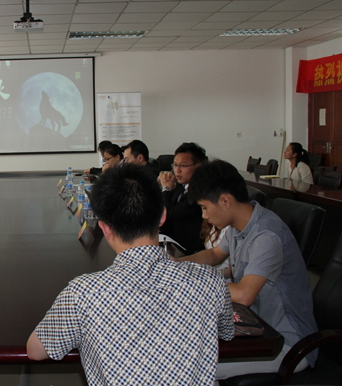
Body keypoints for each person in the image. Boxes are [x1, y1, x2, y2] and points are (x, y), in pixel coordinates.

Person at [27, 164, 234, 385]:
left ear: (105, 228)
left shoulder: (83, 293)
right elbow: (227, 332)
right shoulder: (210, 280)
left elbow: (36, 350)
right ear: (162, 216)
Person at [182, 160, 318, 379]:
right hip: (256, 325)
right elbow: (215, 254)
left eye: (204, 207)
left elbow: (244, 294)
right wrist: (176, 264)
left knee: (190, 368)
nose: (204, 215)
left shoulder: (266, 236)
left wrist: (193, 282)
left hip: (286, 342)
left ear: (225, 200)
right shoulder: (239, 225)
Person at [158, 142, 207, 254]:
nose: (177, 170)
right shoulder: (180, 186)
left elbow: (167, 215)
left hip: (188, 251)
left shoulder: (201, 192)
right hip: (171, 243)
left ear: (198, 166)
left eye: (183, 166)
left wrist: (166, 189)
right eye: (175, 165)